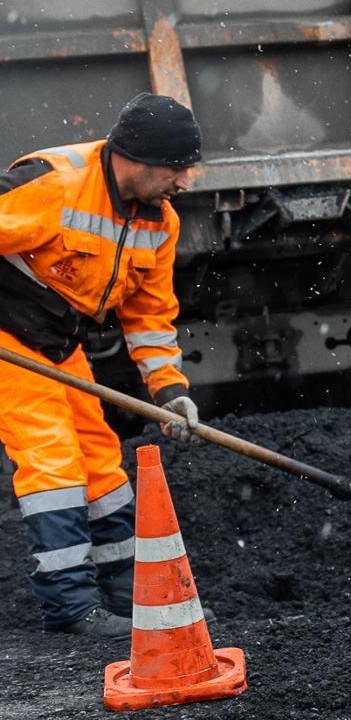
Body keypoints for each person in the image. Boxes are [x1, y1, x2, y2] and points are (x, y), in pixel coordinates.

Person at [0, 92, 203, 639]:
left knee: (100, 459)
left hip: (59, 341)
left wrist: (168, 392)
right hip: (6, 334)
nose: (185, 183)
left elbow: (150, 314)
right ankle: (69, 606)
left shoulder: (160, 223)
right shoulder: (54, 184)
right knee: (53, 460)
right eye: (177, 169)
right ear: (135, 159)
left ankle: (124, 597)